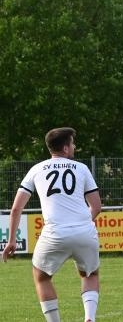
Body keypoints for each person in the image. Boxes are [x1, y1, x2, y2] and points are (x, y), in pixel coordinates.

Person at [2, 127, 101, 322]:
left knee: (41, 276)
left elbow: (15, 209)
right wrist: (80, 225)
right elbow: (96, 206)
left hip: (54, 233)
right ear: (65, 148)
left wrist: (12, 240)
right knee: (90, 274)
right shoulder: (81, 168)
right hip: (84, 230)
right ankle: (90, 318)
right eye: (72, 143)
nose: (74, 146)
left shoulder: (36, 169)